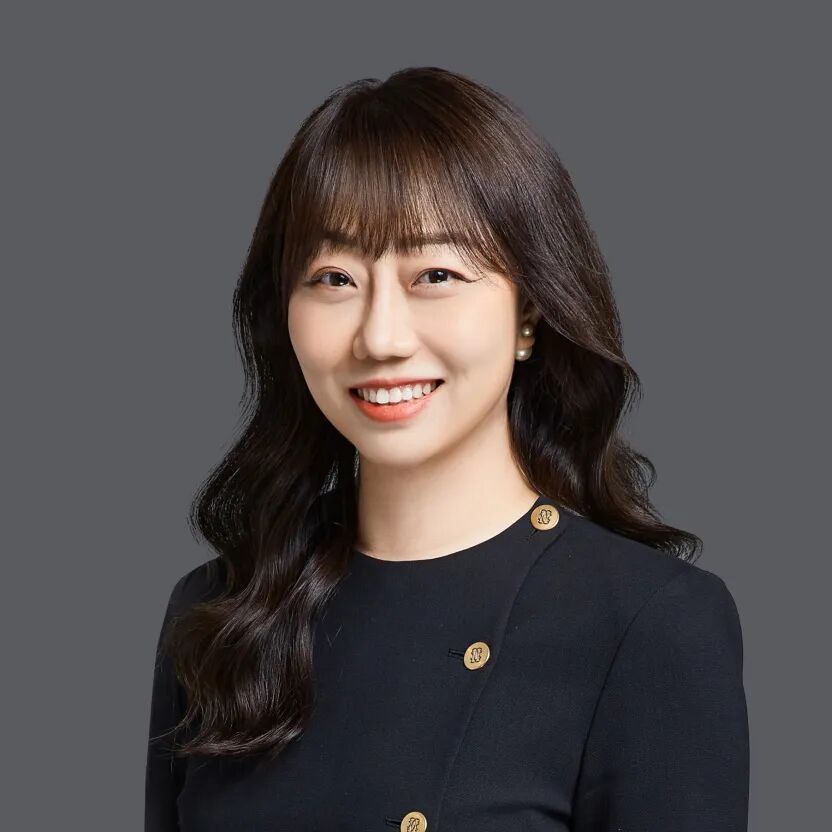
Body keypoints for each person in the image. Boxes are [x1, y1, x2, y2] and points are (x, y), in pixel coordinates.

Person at [145, 66, 749, 831]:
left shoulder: (649, 624)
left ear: (529, 312)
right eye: (334, 278)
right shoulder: (222, 612)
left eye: (435, 274)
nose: (380, 337)